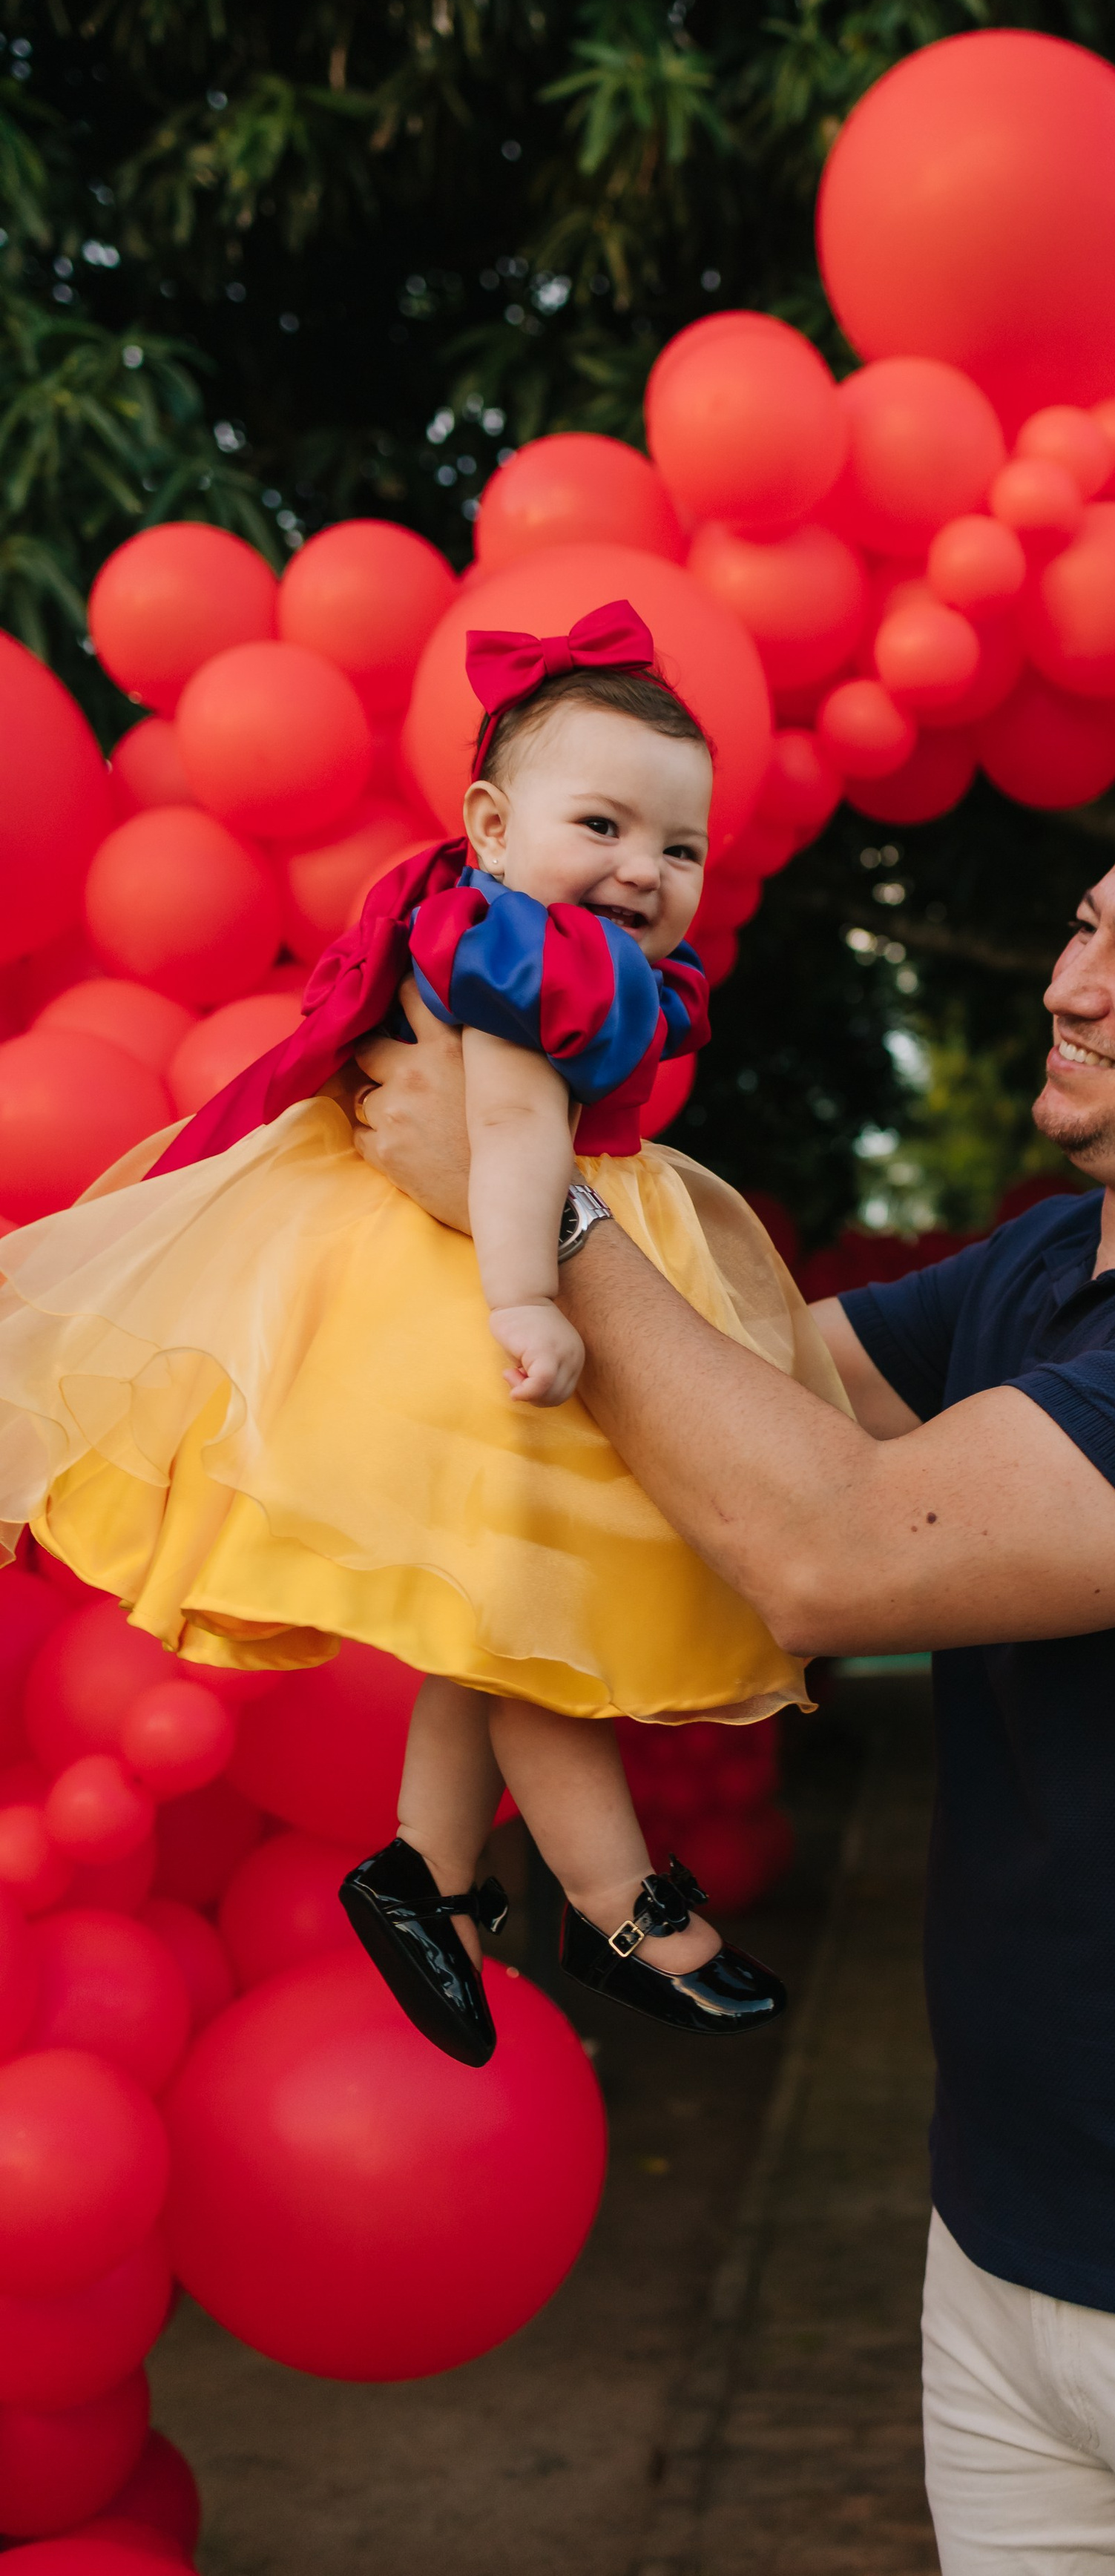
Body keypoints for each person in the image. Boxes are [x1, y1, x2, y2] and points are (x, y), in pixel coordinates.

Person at [350, 774, 1115, 2575]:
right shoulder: (1053, 1260)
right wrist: (504, 1139)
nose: (1070, 984)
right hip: (1013, 2246)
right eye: (1081, 928)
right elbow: (724, 1398)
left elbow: (831, 1549)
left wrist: (543, 1221)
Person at [0, 602, 845, 2066]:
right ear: (492, 828)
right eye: (602, 825)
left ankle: (429, 1875)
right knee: (540, 1618)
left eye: (682, 848)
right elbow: (507, 1136)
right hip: (481, 1273)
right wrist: (529, 1304)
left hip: (514, 1252)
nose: (644, 869)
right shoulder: (521, 954)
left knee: (495, 1607)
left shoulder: (523, 928)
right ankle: (615, 1905)